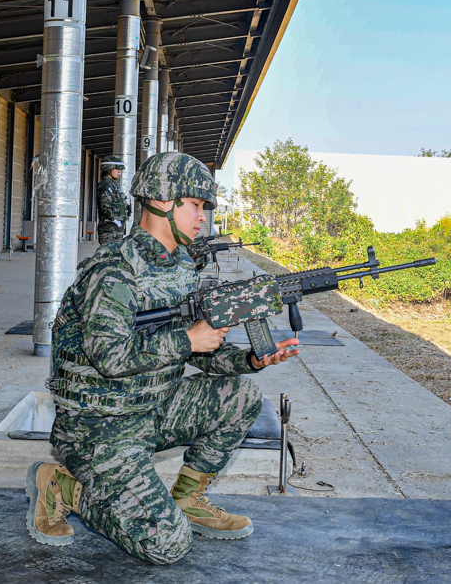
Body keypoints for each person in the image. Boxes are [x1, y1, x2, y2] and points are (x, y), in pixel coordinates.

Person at [25, 152, 298, 564]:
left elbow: (204, 353)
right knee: (167, 545)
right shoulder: (113, 270)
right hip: (99, 427)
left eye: (205, 207)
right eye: (196, 204)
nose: (202, 216)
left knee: (241, 397)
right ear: (162, 201)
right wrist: (188, 340)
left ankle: (188, 499)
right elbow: (111, 357)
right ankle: (61, 487)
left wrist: (252, 361)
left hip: (154, 408)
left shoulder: (181, 267)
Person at [96, 155, 129, 243]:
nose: (119, 171)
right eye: (116, 169)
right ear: (108, 169)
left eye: (120, 169)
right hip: (110, 229)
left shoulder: (112, 185)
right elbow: (105, 205)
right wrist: (114, 219)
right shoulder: (106, 185)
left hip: (115, 229)